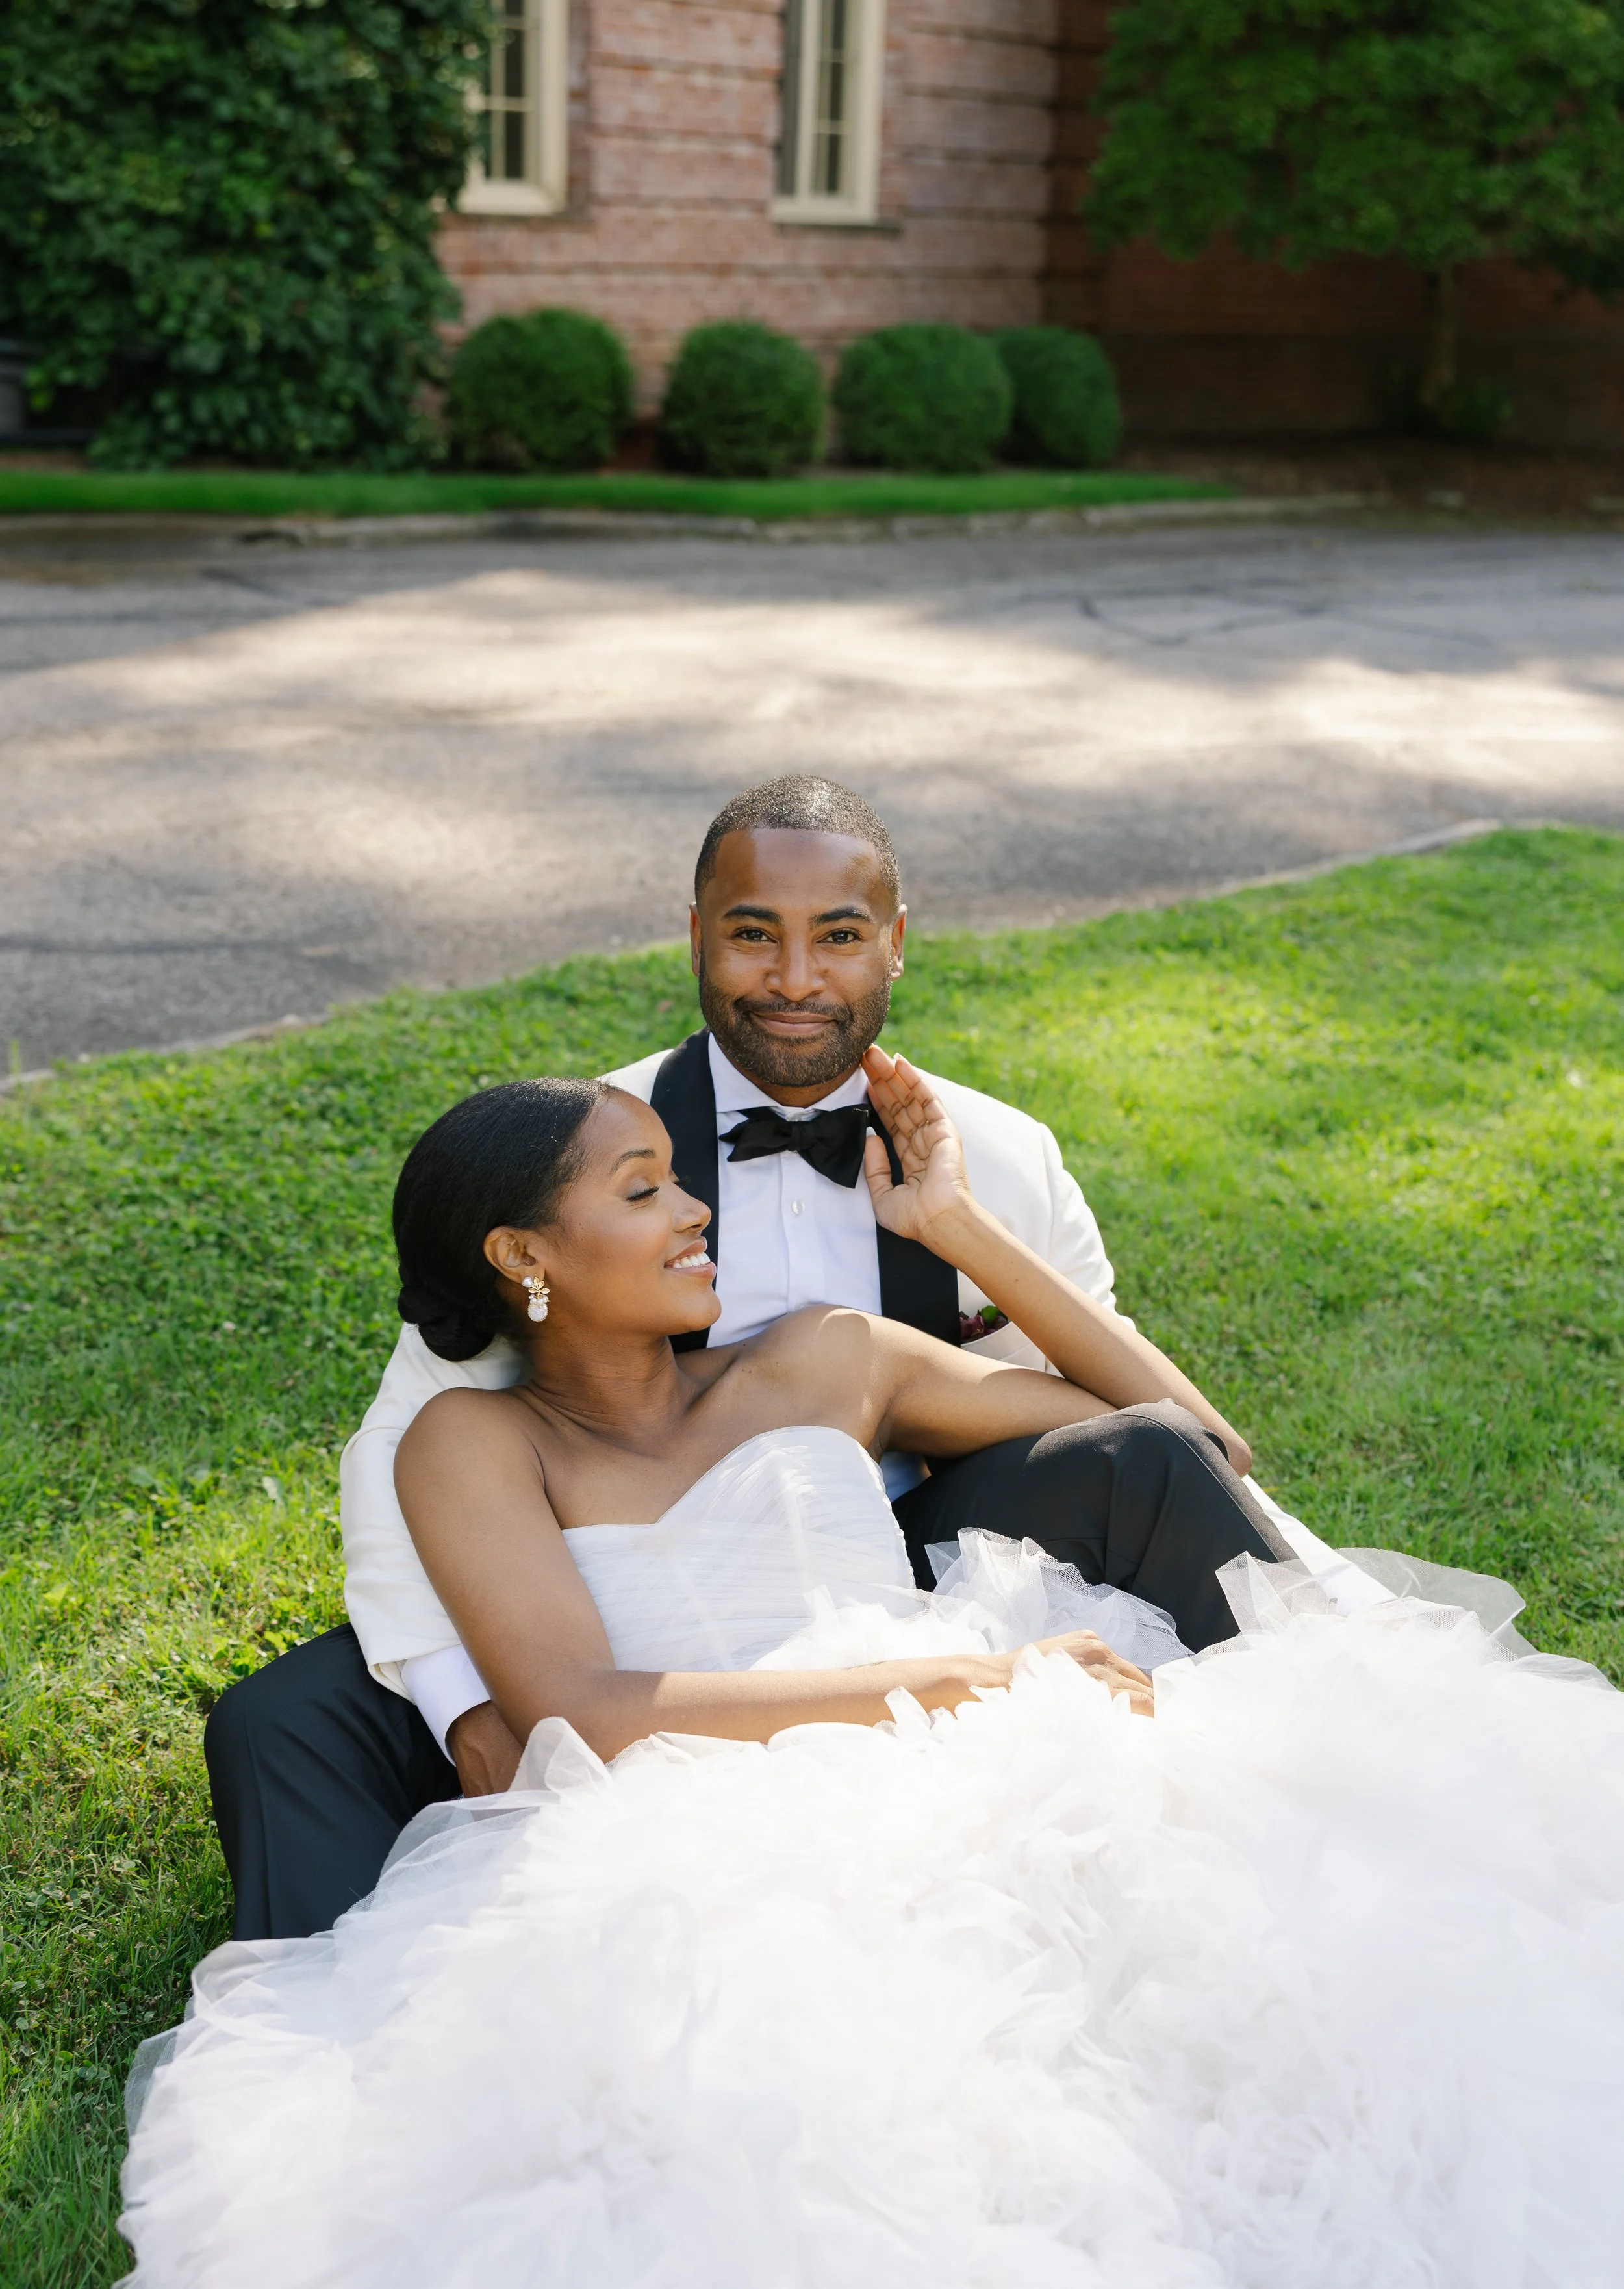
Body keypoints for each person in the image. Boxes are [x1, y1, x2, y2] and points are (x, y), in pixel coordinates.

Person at [121, 1062, 1624, 2286]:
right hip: (713, 1819)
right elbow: (581, 1711)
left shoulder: (830, 1357)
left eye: (679, 1175)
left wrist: (961, 1230)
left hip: (984, 1743)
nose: (694, 1208)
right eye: (642, 1191)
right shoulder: (476, 1443)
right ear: (521, 1257)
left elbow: (1194, 1439)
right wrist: (958, 1688)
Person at [206, 776, 1343, 1942]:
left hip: (922, 1543)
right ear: (698, 937)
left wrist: (959, 1230)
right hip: (601, 1571)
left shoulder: (996, 1153)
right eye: (755, 934)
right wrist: (470, 1711)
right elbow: (406, 1445)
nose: (797, 980)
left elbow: (1181, 1431)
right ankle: (345, 2004)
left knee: (1145, 1454)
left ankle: (1326, 1755)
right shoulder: (585, 1142)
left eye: (839, 937)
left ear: (895, 946)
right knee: (280, 1718)